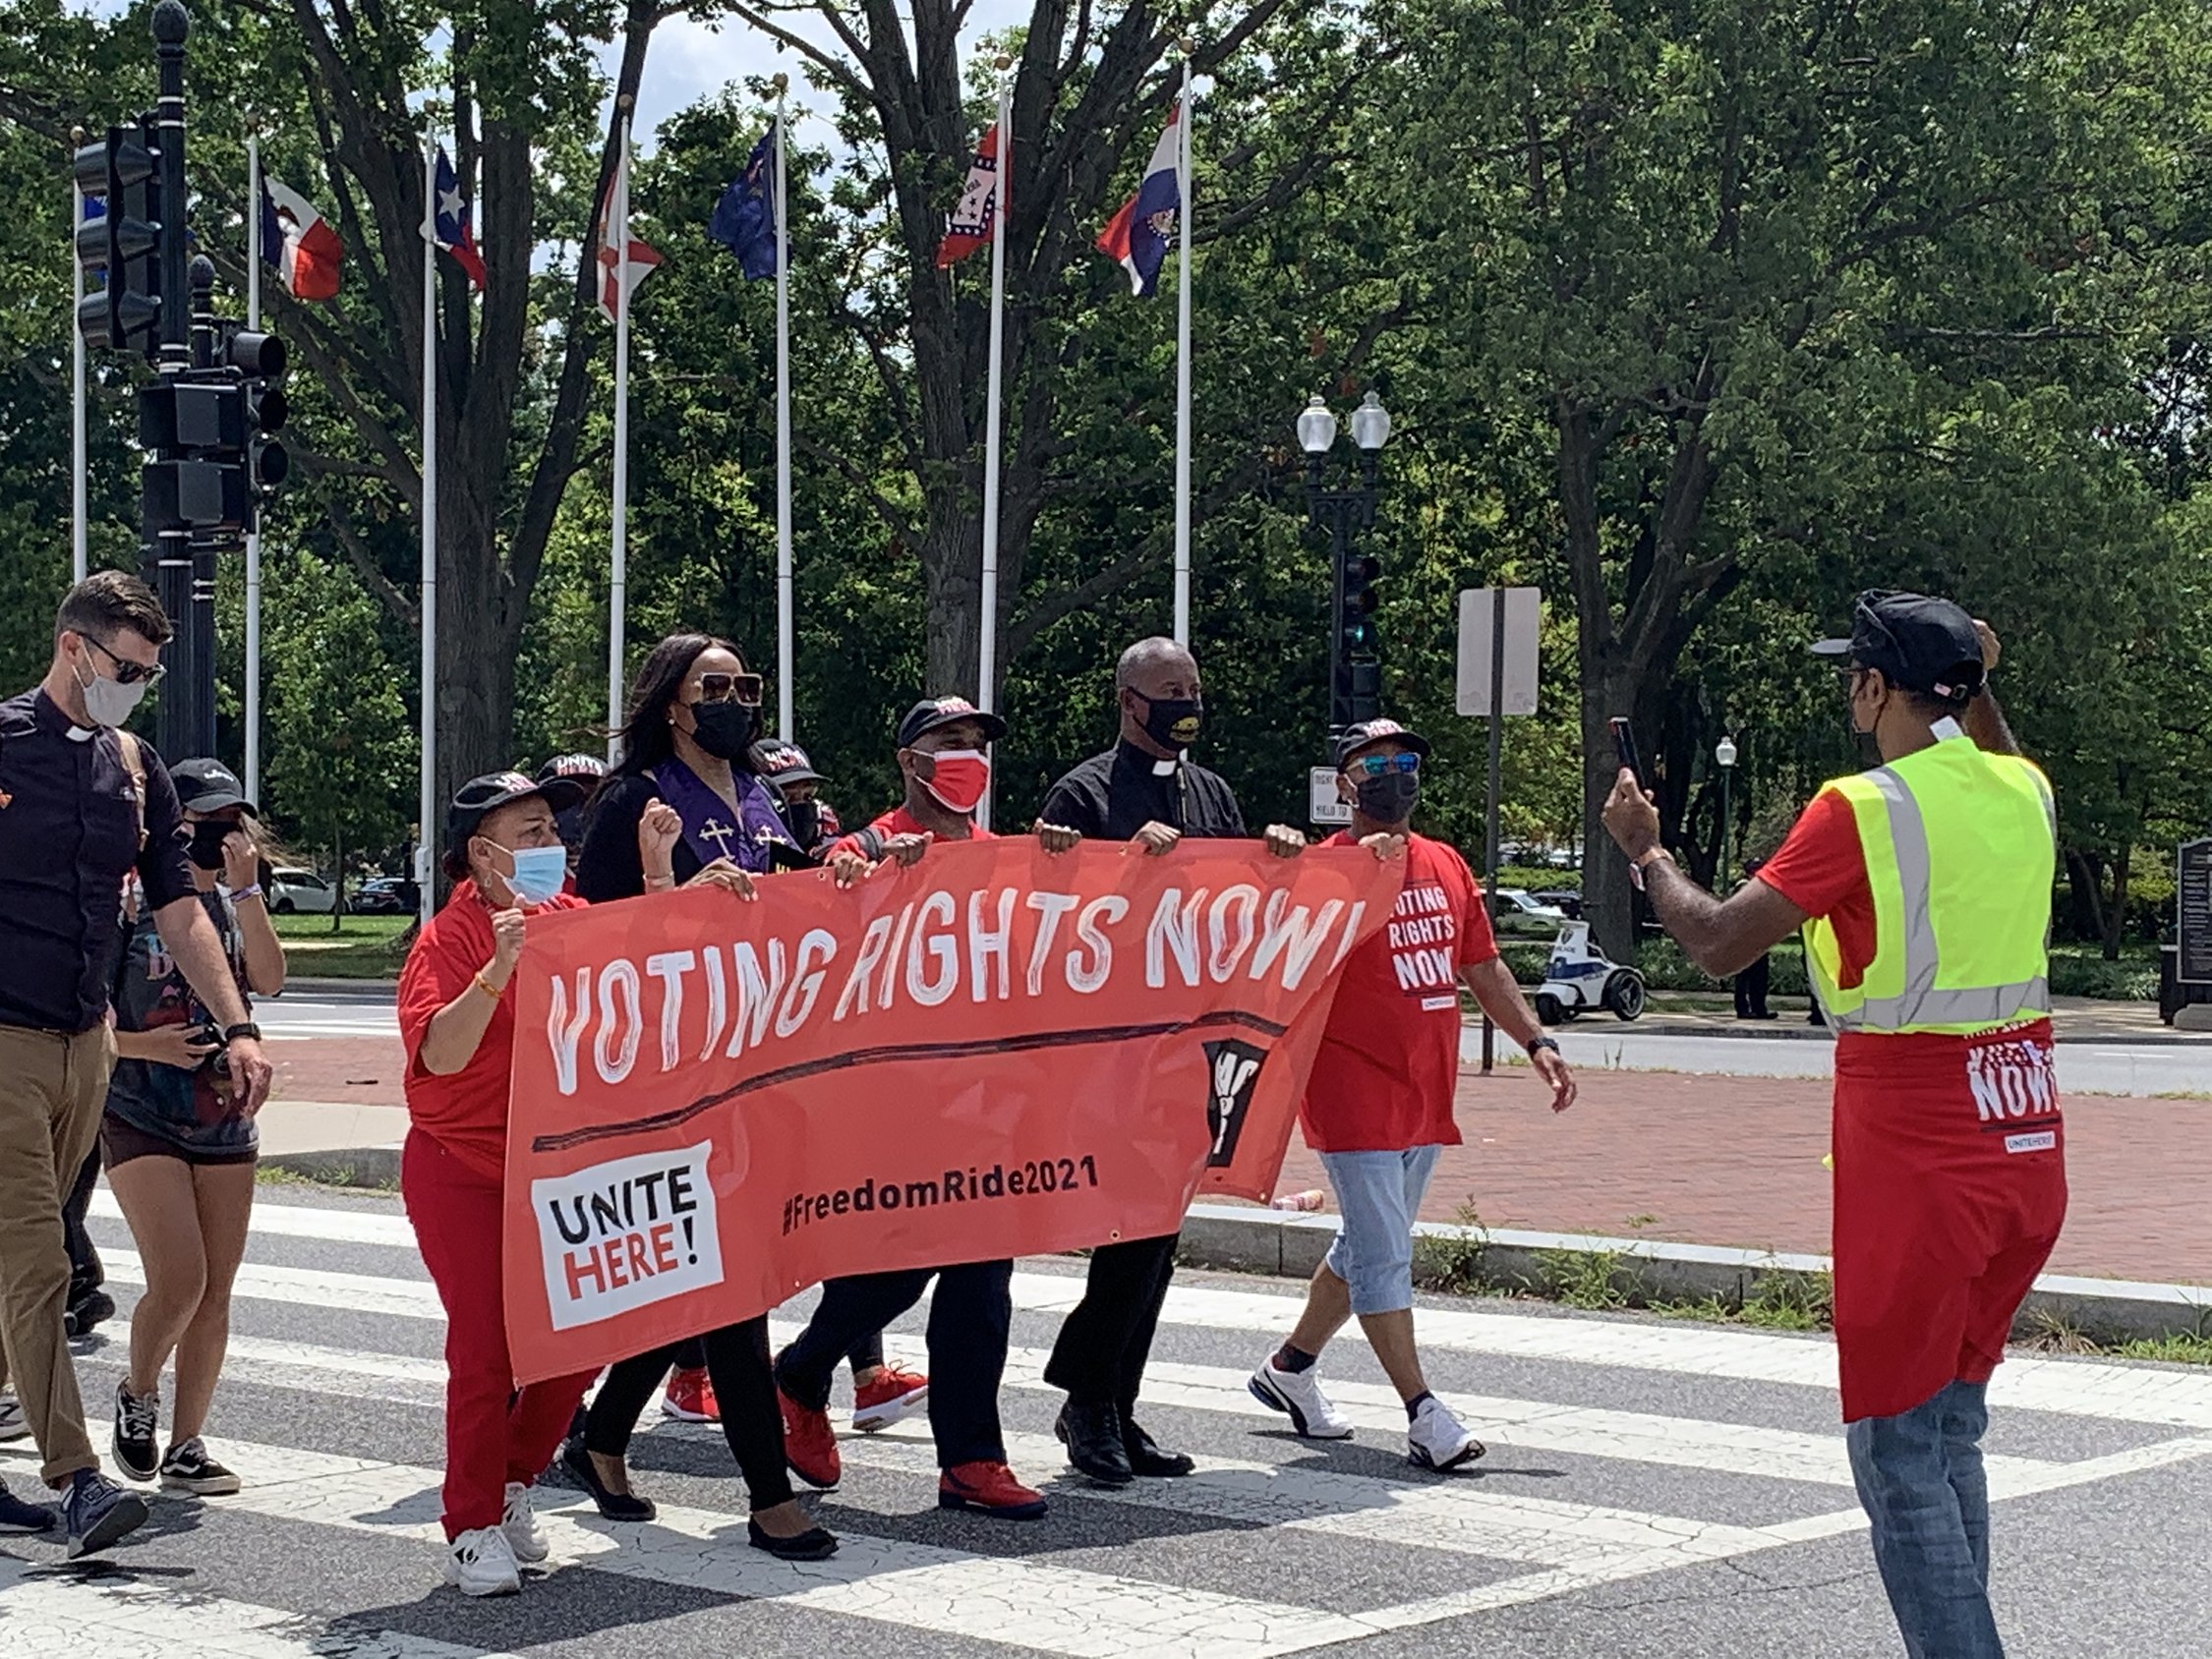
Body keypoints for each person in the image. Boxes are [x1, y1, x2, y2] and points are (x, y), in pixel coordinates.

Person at [1601, 592, 2061, 1659]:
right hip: (2027, 1138)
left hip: (1918, 1150)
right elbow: (1990, 744)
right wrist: (1975, 679)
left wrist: (1645, 850)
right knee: (1949, 1430)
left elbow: (1717, 942)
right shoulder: (2023, 791)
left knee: (1894, 1452)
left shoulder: (1862, 807)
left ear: (1868, 688)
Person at [0, 572, 273, 1558]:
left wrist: (236, 1023)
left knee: (17, 1258)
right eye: (127, 668)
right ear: (74, 646)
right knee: (38, 1260)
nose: (137, 687)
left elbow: (178, 906)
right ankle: (76, 1479)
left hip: (87, 1045)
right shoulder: (4, 742)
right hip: (2, 1041)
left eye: (149, 675)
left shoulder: (134, 764)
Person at [564, 635, 836, 1562]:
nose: (732, 700)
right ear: (672, 706)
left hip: (763, 1064)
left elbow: (797, 908)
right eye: (711, 686)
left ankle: (598, 1437)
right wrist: (674, 893)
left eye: (743, 685)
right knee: (731, 1282)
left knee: (699, 1277)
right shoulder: (632, 801)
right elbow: (587, 939)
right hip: (671, 1069)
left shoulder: (761, 792)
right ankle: (768, 1496)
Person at [1248, 720, 1577, 1469]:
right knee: (1387, 1256)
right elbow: (1260, 943)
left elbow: (1482, 965)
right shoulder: (1321, 871)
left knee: (1365, 1244)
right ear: (1345, 785)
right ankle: (1423, 1412)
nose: (1396, 774)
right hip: (1349, 1091)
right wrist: (1275, 864)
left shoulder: (1445, 863)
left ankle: (1290, 1369)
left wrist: (1538, 1041)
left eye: (1405, 762)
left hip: (1424, 1094)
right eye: (1377, 764)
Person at [772, 696, 1060, 1520]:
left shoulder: (1006, 855)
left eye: (976, 743)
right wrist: (858, 885)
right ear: (910, 760)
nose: (967, 756)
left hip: (986, 1102)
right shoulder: (865, 846)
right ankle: (804, 1366)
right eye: (949, 742)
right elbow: (808, 937)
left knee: (982, 1280)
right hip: (893, 1104)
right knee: (894, 1268)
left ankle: (972, 1458)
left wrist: (1090, 867)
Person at [1036, 637, 1305, 1487]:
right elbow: (1051, 917)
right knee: (1131, 1233)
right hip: (1111, 1054)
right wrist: (1125, 872)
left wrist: (1276, 862)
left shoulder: (1211, 792)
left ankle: (1113, 1399)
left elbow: (1233, 909)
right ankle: (1089, 1401)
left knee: (1159, 1239)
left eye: (1193, 686)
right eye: (1168, 690)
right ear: (1128, 701)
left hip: (1193, 1048)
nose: (1185, 701)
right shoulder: (1080, 794)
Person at [400, 770, 607, 1594]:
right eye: (531, 834)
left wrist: (670, 881)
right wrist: (496, 968)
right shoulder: (446, 939)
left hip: (552, 1168)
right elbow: (439, 1055)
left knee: (579, 1339)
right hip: (463, 1170)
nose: (551, 847)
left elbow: (651, 954)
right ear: (481, 854)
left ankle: (515, 1480)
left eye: (552, 833)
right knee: (486, 1352)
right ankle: (471, 1524)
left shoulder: (565, 916)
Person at [105, 758, 286, 1500]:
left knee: (217, 1287)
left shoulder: (239, 899)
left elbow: (268, 982)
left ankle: (187, 1443)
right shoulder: (131, 898)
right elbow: (89, 1010)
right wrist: (148, 1047)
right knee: (179, 1276)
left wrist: (245, 893)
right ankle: (138, 1390)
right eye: (198, 825)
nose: (213, 839)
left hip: (224, 1111)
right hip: (138, 1101)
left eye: (227, 825)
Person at [749, 738, 840, 864]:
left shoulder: (824, 835)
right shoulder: (742, 854)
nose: (800, 805)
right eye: (787, 797)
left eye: (807, 795)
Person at [536, 752, 610, 881]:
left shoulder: (631, 876)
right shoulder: (523, 882)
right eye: (562, 802)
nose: (576, 815)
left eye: (590, 801)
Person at [1732, 857, 1775, 1019]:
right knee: (1744, 975)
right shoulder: (1743, 887)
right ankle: (1743, 1008)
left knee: (1760, 976)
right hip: (1744, 939)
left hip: (1759, 938)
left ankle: (1759, 1008)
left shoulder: (1759, 887)